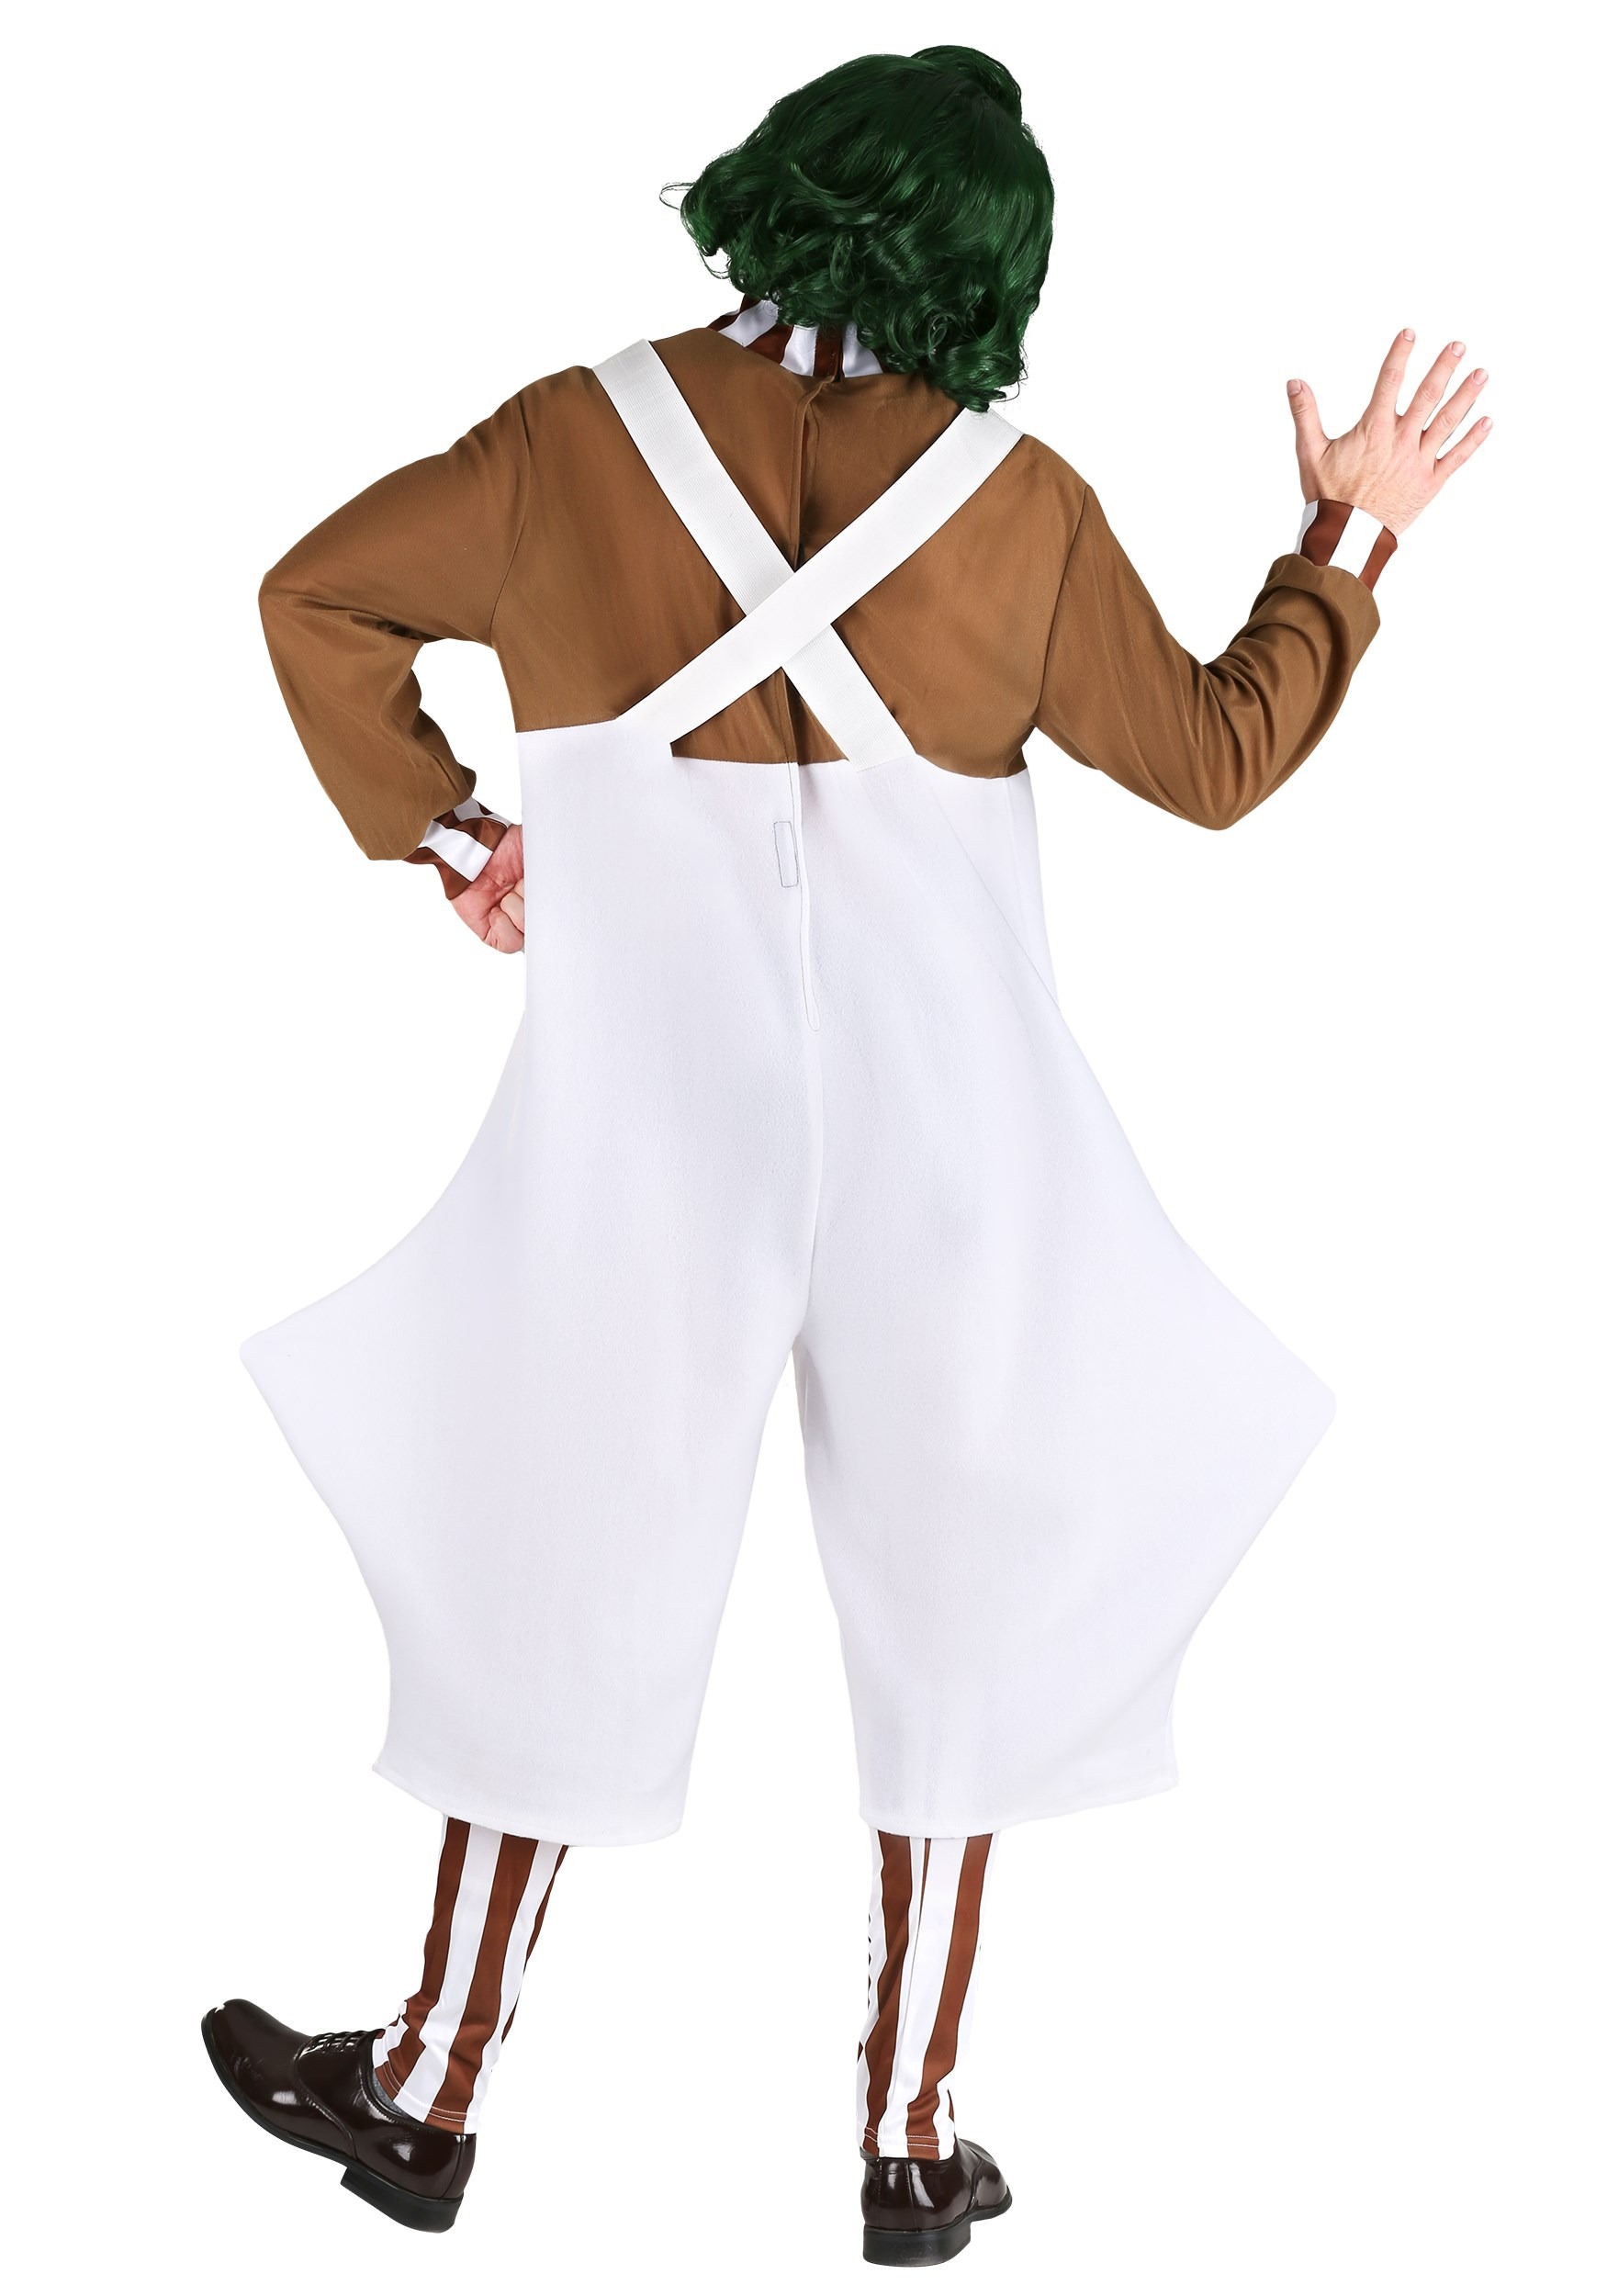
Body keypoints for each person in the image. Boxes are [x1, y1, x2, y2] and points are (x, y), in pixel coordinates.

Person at [201, 45, 1490, 2268]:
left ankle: (424, 2086)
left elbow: (311, 598)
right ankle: (908, 2135)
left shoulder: (568, 437)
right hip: (953, 1158)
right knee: (956, 1613)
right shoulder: (1015, 499)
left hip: (646, 1145)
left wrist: (455, 827)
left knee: (562, 1579)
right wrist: (1344, 533)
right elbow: (1214, 754)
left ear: (780, 185)